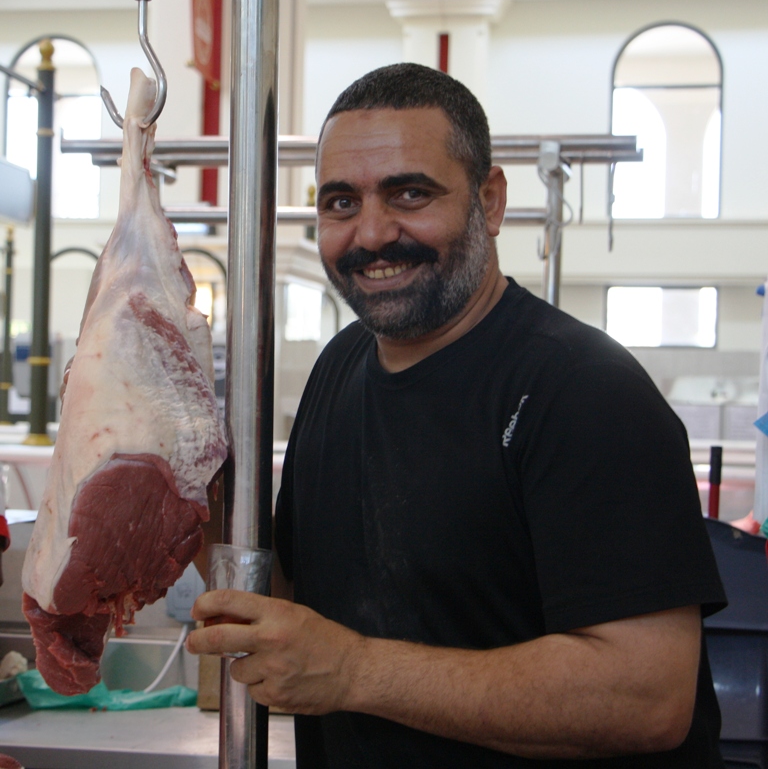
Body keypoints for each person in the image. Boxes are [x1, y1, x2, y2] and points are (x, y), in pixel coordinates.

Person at [186, 63, 727, 768]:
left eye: (410, 193)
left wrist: (354, 669)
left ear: (490, 200)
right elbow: (307, 609)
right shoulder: (338, 368)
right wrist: (197, 514)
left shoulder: (585, 391)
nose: (372, 233)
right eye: (341, 203)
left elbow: (647, 694)